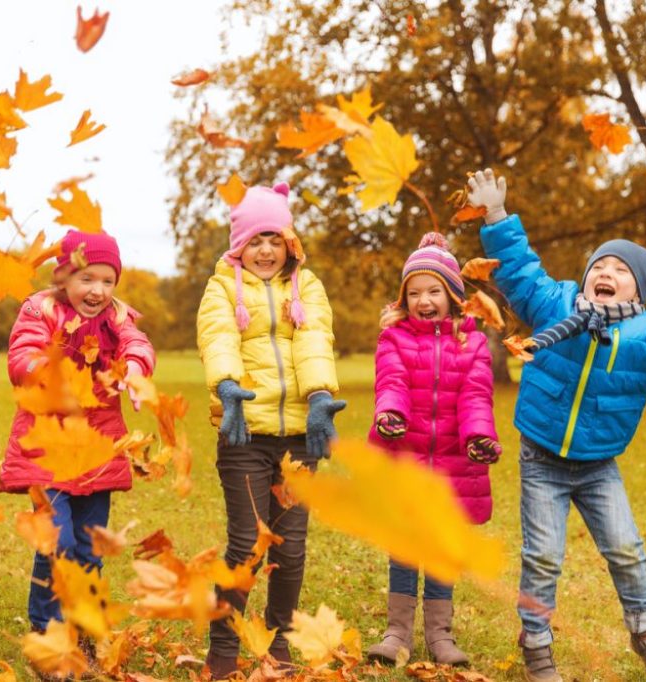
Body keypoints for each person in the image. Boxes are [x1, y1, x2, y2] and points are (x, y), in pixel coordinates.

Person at [468, 168, 646, 682]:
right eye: (600, 265)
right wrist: (496, 216)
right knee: (543, 557)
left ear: (641, 288)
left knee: (627, 550)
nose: (606, 271)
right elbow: (518, 271)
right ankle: (537, 642)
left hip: (599, 465)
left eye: (620, 268)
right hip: (542, 459)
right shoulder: (557, 304)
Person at [196, 182, 345, 678]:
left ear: (290, 244)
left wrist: (321, 396)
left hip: (300, 437)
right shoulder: (222, 288)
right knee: (246, 545)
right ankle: (223, 644)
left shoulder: (308, 287)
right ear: (239, 245)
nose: (265, 250)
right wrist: (227, 386)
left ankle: (280, 640)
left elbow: (315, 340)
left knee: (291, 546)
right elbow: (217, 337)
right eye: (255, 241)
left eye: (274, 240)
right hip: (245, 437)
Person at [0, 230, 155, 646]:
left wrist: (136, 369)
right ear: (64, 277)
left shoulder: (118, 316)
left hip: (97, 447)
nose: (97, 290)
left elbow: (137, 344)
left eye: (107, 280)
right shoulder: (41, 310)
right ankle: (49, 632)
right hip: (46, 445)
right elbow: (22, 355)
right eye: (87, 279)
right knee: (57, 541)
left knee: (88, 546)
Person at [364, 232, 500, 667]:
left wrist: (479, 436)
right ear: (405, 299)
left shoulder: (472, 343)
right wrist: (390, 414)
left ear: (453, 296)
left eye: (434, 290)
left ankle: (440, 635)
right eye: (415, 292)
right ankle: (397, 632)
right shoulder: (395, 339)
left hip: (453, 463)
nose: (425, 300)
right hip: (406, 455)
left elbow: (476, 394)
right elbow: (392, 383)